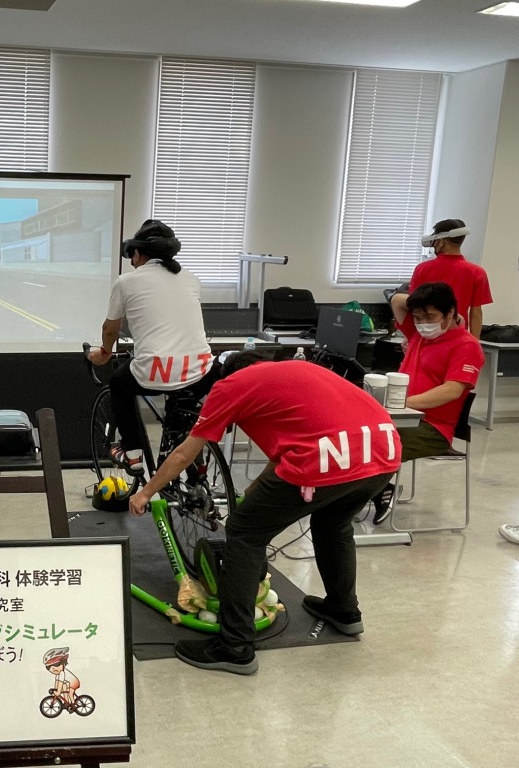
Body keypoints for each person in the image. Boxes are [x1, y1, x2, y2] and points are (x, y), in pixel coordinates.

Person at [128, 352, 402, 675]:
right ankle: (344, 610)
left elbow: (185, 453)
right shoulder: (295, 371)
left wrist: (146, 492)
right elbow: (294, 439)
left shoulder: (230, 385)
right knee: (333, 522)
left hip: (327, 457)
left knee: (244, 532)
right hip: (385, 448)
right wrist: (255, 489)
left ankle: (234, 646)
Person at [86, 219, 216, 474]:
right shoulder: (191, 279)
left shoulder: (126, 282)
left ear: (137, 252)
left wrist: (105, 352)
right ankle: (193, 459)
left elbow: (110, 330)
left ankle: (132, 453)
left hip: (156, 372)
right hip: (202, 371)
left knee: (118, 383)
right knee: (183, 405)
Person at [371, 281, 484, 525]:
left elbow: (452, 391)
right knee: (355, 431)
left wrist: (402, 403)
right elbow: (396, 300)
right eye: (418, 317)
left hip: (432, 428)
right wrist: (423, 303)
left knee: (375, 442)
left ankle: (379, 491)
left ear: (450, 312)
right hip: (402, 416)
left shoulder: (467, 346)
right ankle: (371, 490)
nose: (423, 323)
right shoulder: (419, 335)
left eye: (430, 317)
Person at [411, 219, 492, 335]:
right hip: (458, 336)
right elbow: (476, 313)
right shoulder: (477, 272)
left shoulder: (422, 269)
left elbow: (413, 306)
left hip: (426, 336)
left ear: (441, 242)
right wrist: (474, 342)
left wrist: (410, 337)